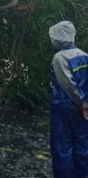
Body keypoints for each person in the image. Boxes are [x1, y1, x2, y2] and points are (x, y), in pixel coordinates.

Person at [48, 21, 88, 178]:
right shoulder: (85, 55)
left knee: (62, 147)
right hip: (84, 110)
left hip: (64, 108)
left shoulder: (59, 57)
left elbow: (67, 84)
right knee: (82, 145)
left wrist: (81, 102)